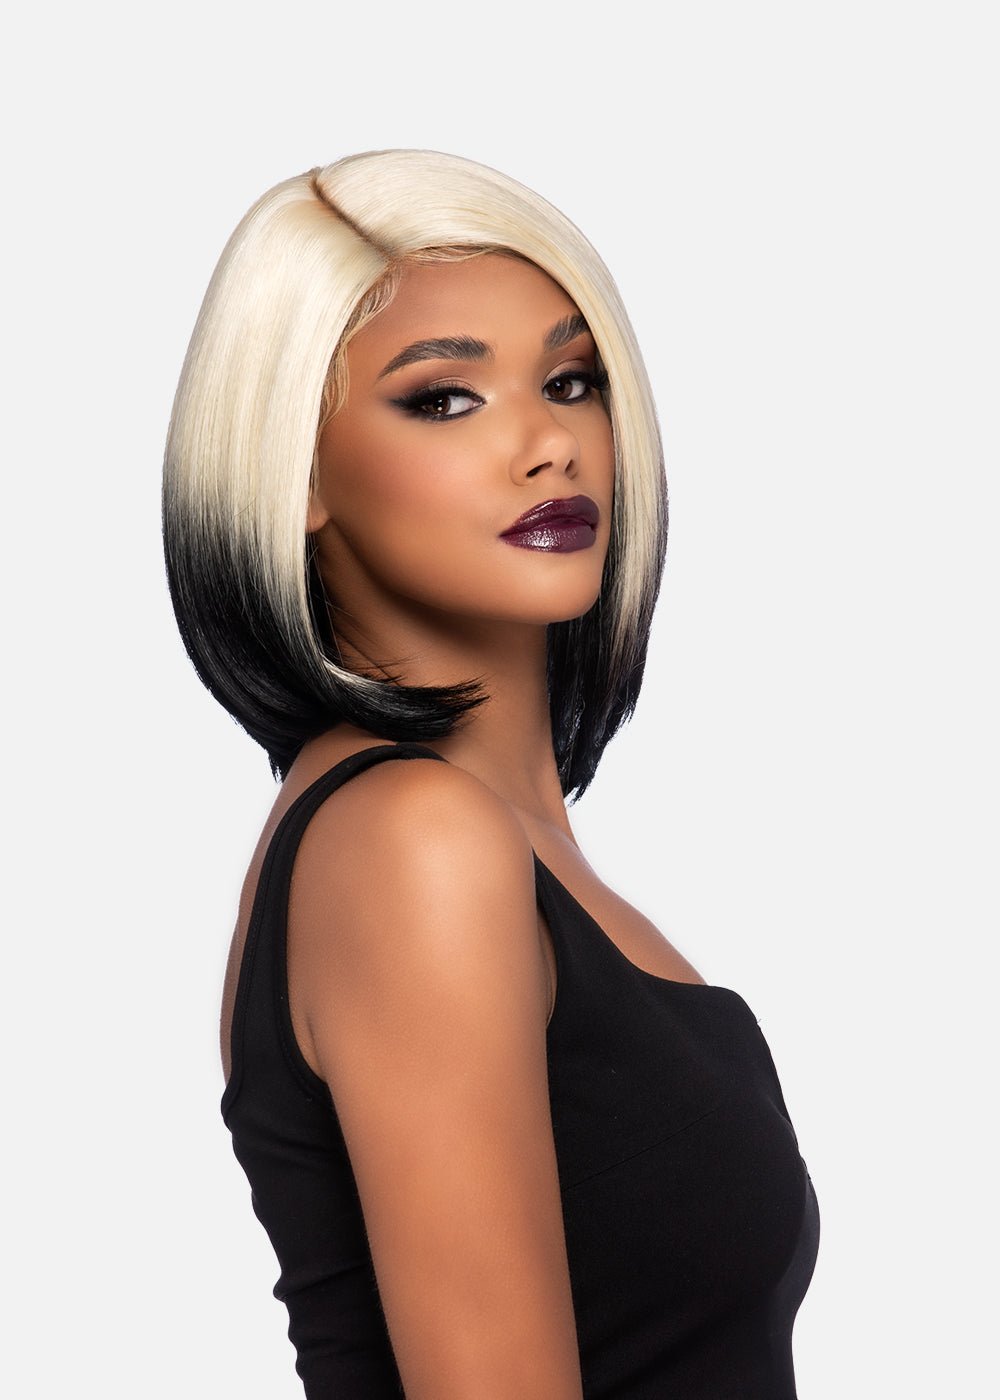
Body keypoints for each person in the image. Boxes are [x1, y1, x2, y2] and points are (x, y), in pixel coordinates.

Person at [162, 149, 819, 1399]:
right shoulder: (413, 840)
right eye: (444, 398)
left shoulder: (492, 845)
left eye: (570, 381)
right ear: (295, 471)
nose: (548, 444)